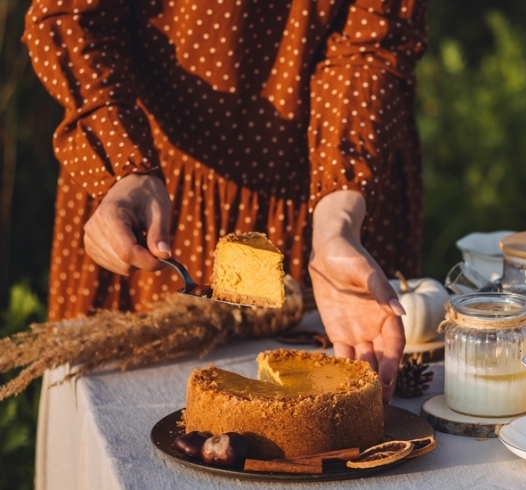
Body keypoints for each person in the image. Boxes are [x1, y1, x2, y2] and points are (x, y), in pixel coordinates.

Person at [23, 0, 428, 401]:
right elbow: (74, 18)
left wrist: (336, 225)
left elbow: (370, 44)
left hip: (337, 179)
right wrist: (123, 166)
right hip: (148, 184)